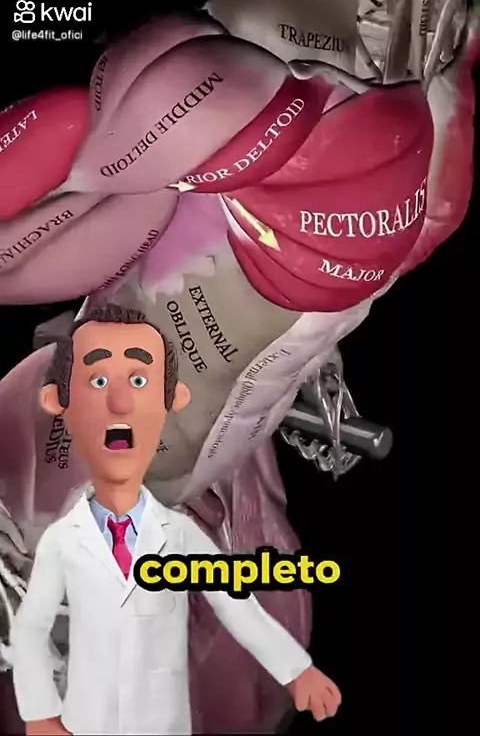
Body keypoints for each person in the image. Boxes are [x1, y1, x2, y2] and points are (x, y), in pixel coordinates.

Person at [11, 304, 341, 736]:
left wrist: (296, 671)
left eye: (139, 382)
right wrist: (39, 712)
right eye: (98, 381)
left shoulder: (179, 533)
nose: (120, 403)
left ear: (172, 400)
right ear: (60, 401)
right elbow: (31, 628)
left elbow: (235, 604)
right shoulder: (63, 539)